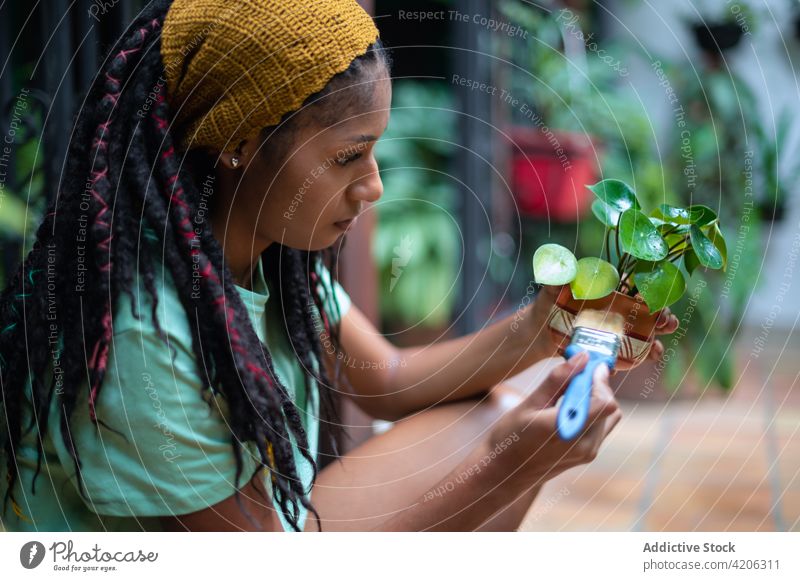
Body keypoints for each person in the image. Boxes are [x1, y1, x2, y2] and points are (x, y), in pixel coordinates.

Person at [0, 0, 679, 532]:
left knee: (506, 402)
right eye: (349, 156)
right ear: (240, 142)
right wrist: (512, 466)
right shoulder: (143, 335)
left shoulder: (262, 259)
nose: (374, 185)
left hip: (279, 530)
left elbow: (384, 377)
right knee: (504, 444)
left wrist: (541, 327)